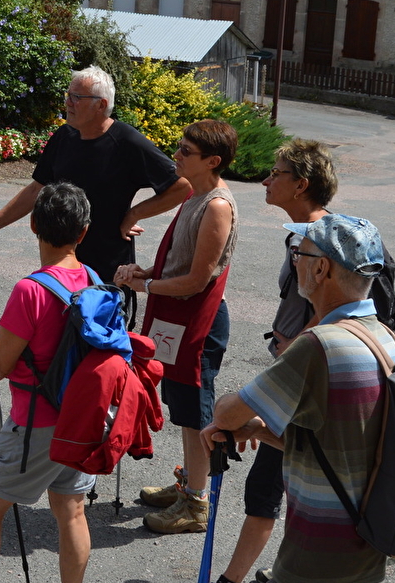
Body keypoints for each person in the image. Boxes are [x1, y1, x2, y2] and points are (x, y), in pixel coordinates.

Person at [216, 139, 395, 583]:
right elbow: (327, 448)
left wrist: (249, 410)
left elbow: (227, 412)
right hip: (367, 535)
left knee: (263, 493)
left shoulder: (320, 345)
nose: (297, 260)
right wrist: (260, 427)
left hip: (321, 542)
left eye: (302, 257)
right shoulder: (386, 341)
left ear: (322, 270)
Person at [0, 183, 100, 583]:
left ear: (33, 224)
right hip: (80, 418)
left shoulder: (30, 291)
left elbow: (0, 366)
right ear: (83, 231)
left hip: (36, 423)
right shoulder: (91, 278)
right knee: (71, 509)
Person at [115, 118, 238, 535]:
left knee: (198, 415)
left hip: (199, 324)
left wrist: (147, 283)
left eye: (186, 151)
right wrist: (143, 272)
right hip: (178, 319)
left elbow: (197, 279)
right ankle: (189, 483)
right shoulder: (194, 192)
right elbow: (178, 262)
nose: (177, 155)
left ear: (213, 161)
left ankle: (196, 505)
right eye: (179, 147)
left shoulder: (217, 205)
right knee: (184, 410)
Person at [0, 66, 189, 286]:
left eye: (77, 97)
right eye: (68, 95)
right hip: (60, 270)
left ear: (101, 105)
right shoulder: (64, 136)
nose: (68, 102)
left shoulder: (127, 142)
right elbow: (36, 189)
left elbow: (182, 186)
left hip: (107, 273)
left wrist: (134, 214)